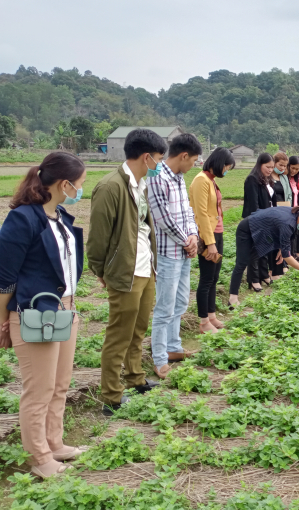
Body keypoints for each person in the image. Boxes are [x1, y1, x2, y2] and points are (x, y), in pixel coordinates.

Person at [0, 153, 87, 478]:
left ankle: (55, 442)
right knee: (39, 390)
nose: (81, 189)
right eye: (79, 184)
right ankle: (39, 458)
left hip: (66, 309)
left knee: (60, 384)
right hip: (35, 314)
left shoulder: (61, 217)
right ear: (64, 184)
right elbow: (5, 277)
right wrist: (4, 321)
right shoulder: (23, 219)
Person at [87, 128, 165, 416]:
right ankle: (111, 396)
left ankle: (135, 378)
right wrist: (102, 270)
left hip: (145, 269)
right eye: (158, 159)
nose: (159, 165)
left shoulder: (140, 184)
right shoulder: (111, 187)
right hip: (125, 273)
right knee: (119, 334)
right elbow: (97, 239)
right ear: (146, 157)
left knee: (138, 329)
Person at [147, 134, 201, 379]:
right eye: (194, 161)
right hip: (167, 252)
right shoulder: (157, 177)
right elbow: (162, 218)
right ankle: (159, 358)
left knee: (180, 302)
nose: (193, 166)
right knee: (164, 307)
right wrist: (185, 240)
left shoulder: (179, 178)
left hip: (184, 249)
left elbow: (187, 212)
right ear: (184, 156)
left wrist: (193, 236)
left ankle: (173, 347)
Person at [229, 207, 299, 307]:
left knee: (254, 257)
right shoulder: (288, 223)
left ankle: (251, 282)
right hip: (247, 229)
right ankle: (233, 298)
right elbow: (287, 257)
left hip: (260, 229)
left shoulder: (295, 216)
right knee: (242, 262)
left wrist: (281, 249)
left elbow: (284, 237)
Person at [189, 147, 235, 334]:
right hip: (209, 235)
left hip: (217, 232)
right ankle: (203, 322)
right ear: (218, 163)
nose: (226, 171)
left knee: (214, 277)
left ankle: (212, 315)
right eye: (226, 167)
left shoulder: (210, 180)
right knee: (207, 279)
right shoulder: (201, 180)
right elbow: (201, 214)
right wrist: (210, 243)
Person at [242, 153, 276, 288]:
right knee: (255, 250)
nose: (270, 170)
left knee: (265, 248)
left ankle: (264, 275)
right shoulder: (252, 179)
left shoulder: (267, 179)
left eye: (272, 167)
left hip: (267, 218)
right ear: (259, 164)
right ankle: (253, 279)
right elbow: (253, 203)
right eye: (267, 167)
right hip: (256, 218)